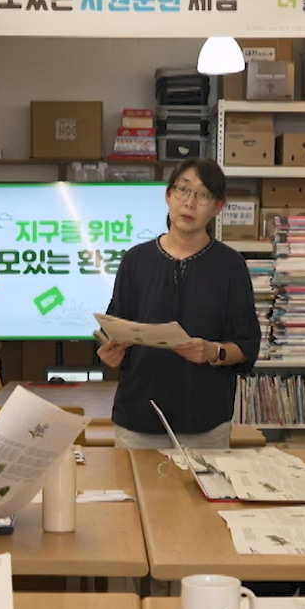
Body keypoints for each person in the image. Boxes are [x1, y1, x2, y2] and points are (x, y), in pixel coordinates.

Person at [96, 159, 262, 449]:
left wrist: (213, 351)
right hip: (138, 418)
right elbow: (115, 329)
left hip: (204, 422)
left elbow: (248, 346)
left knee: (204, 496)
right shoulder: (136, 260)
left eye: (203, 195)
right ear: (168, 195)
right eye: (183, 190)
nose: (190, 203)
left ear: (218, 207)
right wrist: (111, 353)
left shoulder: (231, 266)